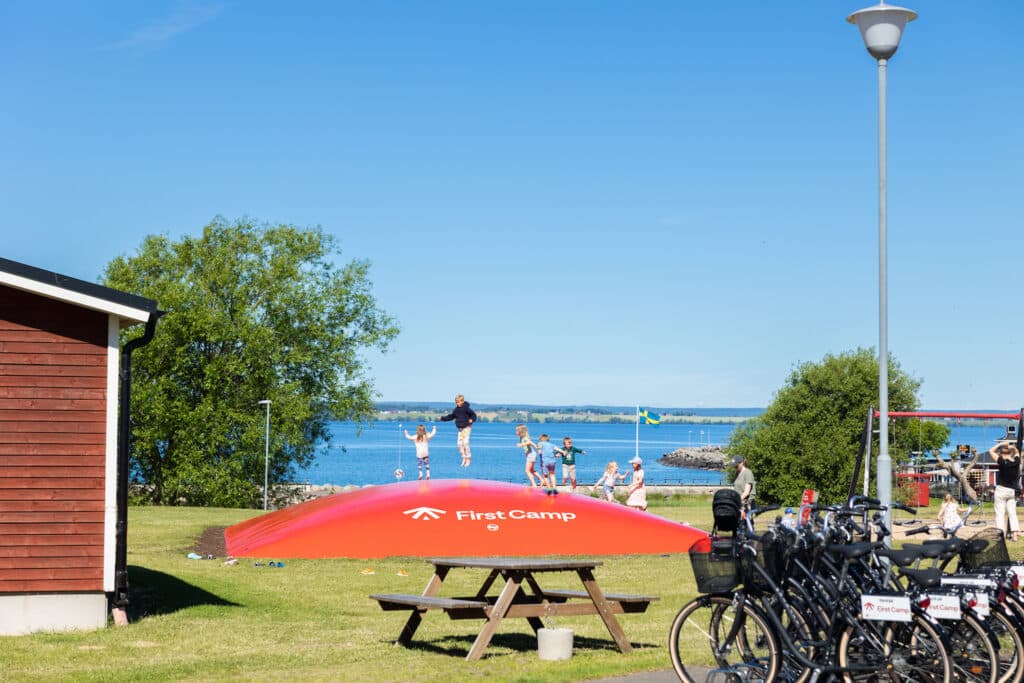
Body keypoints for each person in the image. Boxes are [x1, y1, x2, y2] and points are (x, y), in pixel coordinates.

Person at [990, 442, 1021, 541]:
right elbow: (1017, 452)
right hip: (1012, 490)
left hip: (1001, 490)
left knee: (1000, 513)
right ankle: (1014, 535)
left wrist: (1001, 444)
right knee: (1012, 513)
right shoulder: (1016, 462)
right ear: (1010, 453)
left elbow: (991, 451)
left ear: (1001, 454)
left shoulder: (1001, 462)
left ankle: (1001, 535)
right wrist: (1012, 447)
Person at [439, 394, 477, 467]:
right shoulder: (456, 410)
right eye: (456, 402)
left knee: (465, 443)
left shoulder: (466, 408)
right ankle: (464, 458)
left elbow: (473, 415)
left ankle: (468, 458)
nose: (457, 403)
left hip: (467, 428)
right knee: (459, 445)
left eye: (458, 402)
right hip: (460, 430)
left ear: (462, 401)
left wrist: (472, 419)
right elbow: (451, 416)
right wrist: (442, 418)